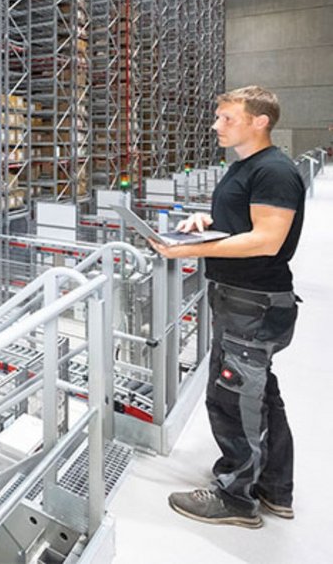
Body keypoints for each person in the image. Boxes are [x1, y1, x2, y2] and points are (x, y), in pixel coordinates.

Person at [150, 86, 305, 529]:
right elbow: (245, 224)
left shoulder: (274, 171)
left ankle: (236, 498)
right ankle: (274, 488)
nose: (217, 125)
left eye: (227, 118)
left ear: (260, 121)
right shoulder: (246, 167)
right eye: (218, 117)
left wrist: (186, 253)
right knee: (261, 396)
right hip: (243, 299)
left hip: (252, 304)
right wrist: (207, 224)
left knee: (235, 400)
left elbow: (267, 239)